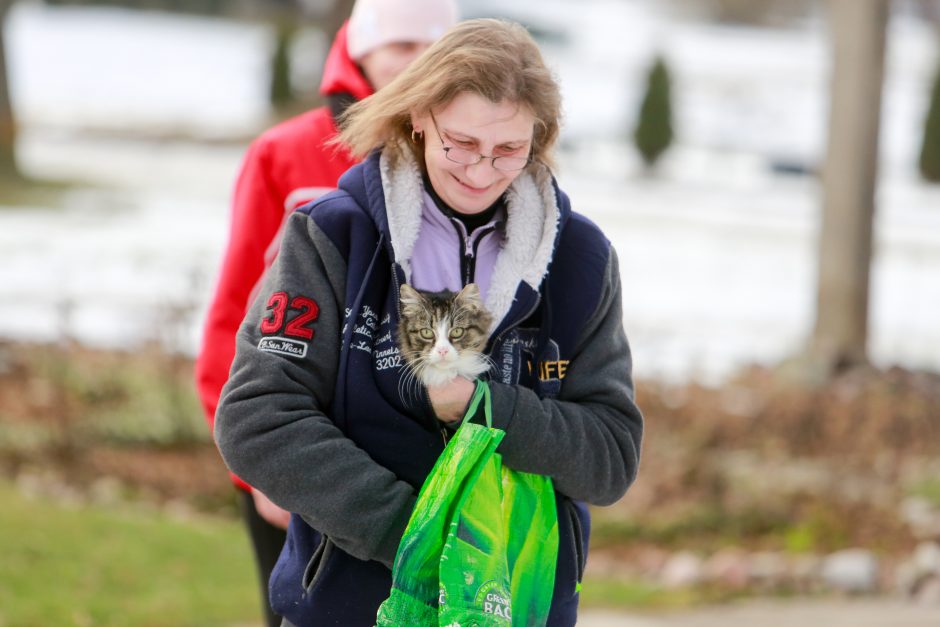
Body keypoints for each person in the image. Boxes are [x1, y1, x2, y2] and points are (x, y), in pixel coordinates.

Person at [214, 18, 644, 627]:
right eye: (460, 144)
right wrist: (418, 538)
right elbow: (257, 417)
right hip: (351, 606)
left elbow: (610, 456)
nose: (481, 171)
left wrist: (484, 408)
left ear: (539, 137)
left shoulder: (579, 261)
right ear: (418, 116)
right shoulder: (333, 234)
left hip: (514, 608)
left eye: (508, 150)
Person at [194, 1, 457, 625]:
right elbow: (235, 305)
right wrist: (255, 468)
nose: (416, 63)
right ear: (358, 50)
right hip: (293, 444)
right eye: (399, 47)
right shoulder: (284, 153)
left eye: (432, 47)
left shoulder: (457, 160)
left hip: (404, 455)